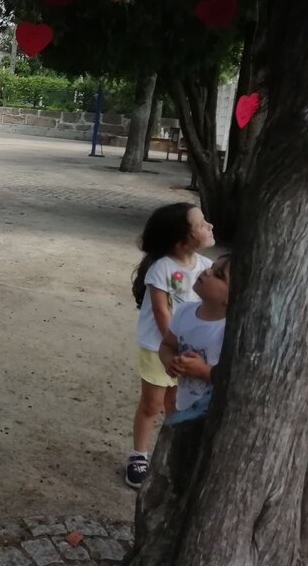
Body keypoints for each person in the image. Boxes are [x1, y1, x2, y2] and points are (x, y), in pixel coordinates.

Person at [125, 202, 215, 488]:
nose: (210, 226)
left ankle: (171, 454)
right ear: (182, 240)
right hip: (159, 347)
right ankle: (139, 454)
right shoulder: (161, 269)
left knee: (177, 404)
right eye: (202, 224)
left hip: (190, 352)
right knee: (152, 404)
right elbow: (163, 312)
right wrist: (174, 347)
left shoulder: (207, 268)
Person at [159, 254, 231, 423]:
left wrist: (203, 371)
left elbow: (235, 378)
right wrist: (170, 362)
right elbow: (167, 345)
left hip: (214, 417)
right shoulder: (185, 312)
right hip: (184, 407)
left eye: (218, 275)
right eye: (212, 267)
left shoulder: (229, 329)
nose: (207, 272)